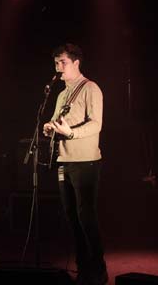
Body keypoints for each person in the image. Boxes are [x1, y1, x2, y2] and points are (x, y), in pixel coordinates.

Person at [43, 44, 108, 285]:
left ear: (76, 62)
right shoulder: (62, 94)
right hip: (64, 160)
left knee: (86, 216)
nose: (58, 68)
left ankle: (98, 269)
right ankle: (83, 268)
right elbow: (55, 121)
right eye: (56, 63)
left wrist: (71, 134)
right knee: (71, 218)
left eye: (63, 63)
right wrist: (49, 127)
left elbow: (96, 124)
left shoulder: (91, 88)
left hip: (86, 161)